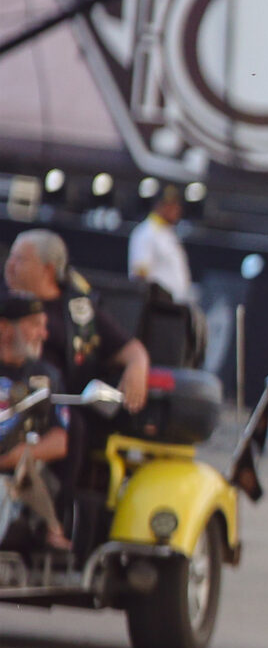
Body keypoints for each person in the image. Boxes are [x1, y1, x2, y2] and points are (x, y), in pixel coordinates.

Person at [6, 231, 148, 419]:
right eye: (11, 257)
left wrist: (137, 368)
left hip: (60, 410)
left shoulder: (81, 310)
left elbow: (129, 348)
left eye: (20, 260)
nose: (10, 266)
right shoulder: (4, 301)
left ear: (47, 269)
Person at [0, 291, 70, 550]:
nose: (43, 334)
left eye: (44, 325)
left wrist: (19, 454)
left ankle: (52, 529)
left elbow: (60, 441)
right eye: (34, 325)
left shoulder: (44, 377)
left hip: (20, 475)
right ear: (4, 328)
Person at [127, 185, 194, 305]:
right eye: (172, 205)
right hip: (155, 306)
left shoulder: (168, 233)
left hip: (175, 306)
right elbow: (140, 277)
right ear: (160, 206)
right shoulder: (145, 233)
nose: (177, 210)